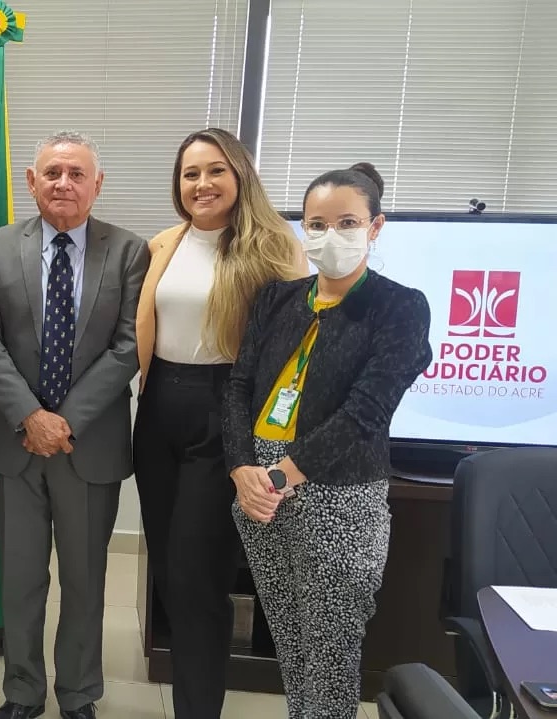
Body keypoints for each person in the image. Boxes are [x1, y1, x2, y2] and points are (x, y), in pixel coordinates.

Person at [223, 163, 432, 719]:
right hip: (260, 495)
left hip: (337, 497)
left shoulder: (400, 307)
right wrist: (242, 469)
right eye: (317, 224)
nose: (330, 235)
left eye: (347, 222)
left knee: (330, 656)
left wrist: (278, 476)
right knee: (291, 644)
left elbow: (366, 412)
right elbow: (239, 386)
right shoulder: (277, 298)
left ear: (375, 226)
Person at [0, 130, 150, 719]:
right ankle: (22, 692)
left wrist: (62, 422)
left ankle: (78, 694)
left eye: (76, 174)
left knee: (84, 581)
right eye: (52, 173)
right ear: (31, 181)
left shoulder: (129, 252)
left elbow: (129, 345)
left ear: (97, 184)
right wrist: (30, 415)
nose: (63, 183)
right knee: (19, 580)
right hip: (13, 442)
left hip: (87, 445)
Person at [131, 128, 305, 719]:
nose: (202, 184)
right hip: (159, 408)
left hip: (226, 411)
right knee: (169, 575)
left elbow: (294, 352)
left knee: (197, 579)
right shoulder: (164, 244)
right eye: (190, 173)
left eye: (215, 171)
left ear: (240, 176)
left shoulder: (275, 249)